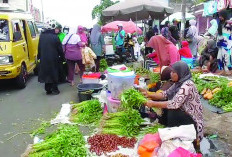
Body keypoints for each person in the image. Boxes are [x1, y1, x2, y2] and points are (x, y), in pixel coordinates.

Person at [142, 61, 203, 140]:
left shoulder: (187, 85)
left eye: (174, 72)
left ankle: (184, 138)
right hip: (183, 114)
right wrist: (149, 94)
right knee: (169, 110)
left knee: (171, 111)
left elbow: (174, 104)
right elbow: (165, 94)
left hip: (191, 119)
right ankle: (174, 133)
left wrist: (152, 103)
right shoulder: (178, 83)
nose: (171, 74)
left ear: (180, 73)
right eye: (171, 71)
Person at [38, 22, 65, 95]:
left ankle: (48, 89)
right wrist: (63, 58)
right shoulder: (55, 37)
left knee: (46, 73)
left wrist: (39, 57)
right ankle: (55, 89)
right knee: (54, 73)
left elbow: (39, 48)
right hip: (53, 58)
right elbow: (60, 49)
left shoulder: (42, 36)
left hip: (44, 58)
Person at [217, 9, 232, 74]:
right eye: (219, 16)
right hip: (221, 43)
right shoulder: (220, 24)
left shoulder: (229, 23)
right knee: (219, 57)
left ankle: (228, 71)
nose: (220, 17)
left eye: (221, 16)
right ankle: (222, 70)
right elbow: (219, 34)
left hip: (228, 43)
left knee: (227, 57)